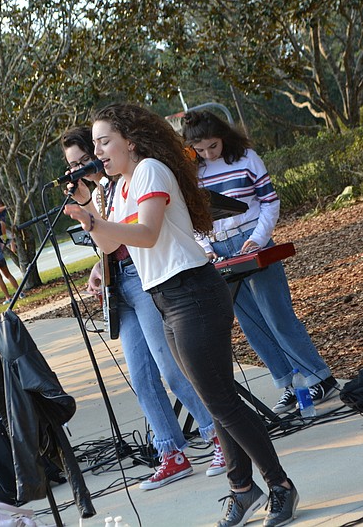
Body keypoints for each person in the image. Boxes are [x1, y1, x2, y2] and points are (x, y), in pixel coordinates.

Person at [65, 104, 299, 527]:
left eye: (104, 142)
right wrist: (92, 218)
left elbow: (147, 234)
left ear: (130, 141)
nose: (97, 152)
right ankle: (243, 490)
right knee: (217, 399)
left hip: (193, 291)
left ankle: (280, 485)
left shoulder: (151, 170)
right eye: (95, 143)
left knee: (221, 402)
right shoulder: (116, 188)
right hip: (166, 297)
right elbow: (113, 247)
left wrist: (96, 223)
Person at [60, 126, 226, 490]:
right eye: (71, 166)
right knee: (141, 376)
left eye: (84, 160)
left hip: (144, 276)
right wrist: (97, 268)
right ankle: (171, 451)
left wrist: (94, 210)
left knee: (171, 367)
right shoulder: (101, 191)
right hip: (120, 281)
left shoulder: (125, 180)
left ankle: (217, 436)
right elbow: (108, 243)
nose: (78, 170)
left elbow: (137, 231)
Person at [181, 110, 339, 416]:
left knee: (277, 315)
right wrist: (204, 247)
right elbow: (193, 217)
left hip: (252, 237)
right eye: (199, 150)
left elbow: (269, 201)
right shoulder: (192, 172)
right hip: (218, 247)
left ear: (223, 136)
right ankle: (290, 384)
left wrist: (259, 236)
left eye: (213, 146)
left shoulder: (247, 158)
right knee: (252, 324)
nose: (207, 153)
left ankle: (319, 376)